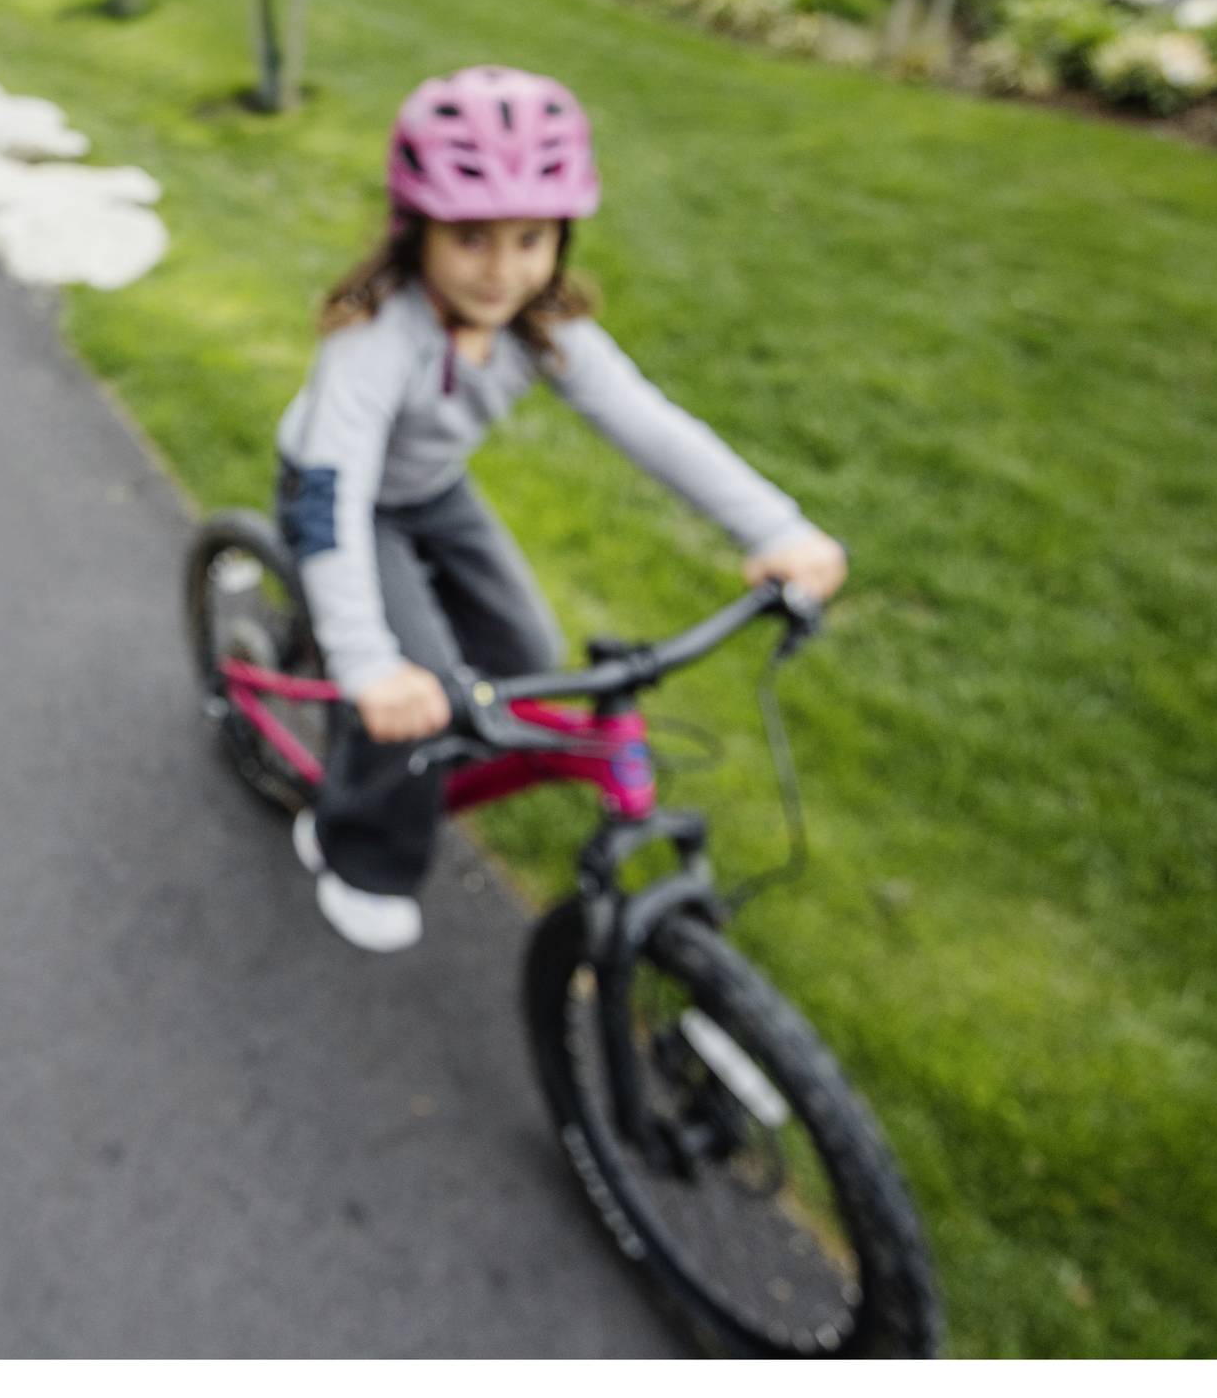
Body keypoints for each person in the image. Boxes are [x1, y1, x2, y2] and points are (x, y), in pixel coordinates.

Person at [275, 66, 848, 952]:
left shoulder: (542, 326)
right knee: (417, 685)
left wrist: (775, 528)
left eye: (531, 239)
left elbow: (650, 425)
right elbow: (331, 497)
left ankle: (408, 740)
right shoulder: (375, 340)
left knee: (525, 657)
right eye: (471, 239)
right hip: (341, 501)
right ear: (415, 228)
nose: (503, 271)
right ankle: (353, 845)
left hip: (431, 490)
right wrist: (368, 663)